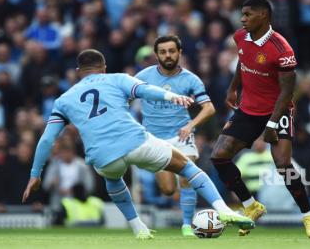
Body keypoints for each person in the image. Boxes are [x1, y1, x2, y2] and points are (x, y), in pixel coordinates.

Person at [22, 49, 254, 240]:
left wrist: (35, 174)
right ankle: (223, 210)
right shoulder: (117, 78)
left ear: (77, 73)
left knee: (113, 179)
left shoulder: (63, 100)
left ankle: (139, 228)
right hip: (135, 142)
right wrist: (171, 96)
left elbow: (46, 139)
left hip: (102, 157)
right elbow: (145, 90)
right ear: (103, 67)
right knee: (185, 166)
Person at [210, 0, 310, 238]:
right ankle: (252, 206)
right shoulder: (240, 36)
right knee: (219, 156)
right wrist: (233, 87)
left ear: (264, 16)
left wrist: (271, 124)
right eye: (242, 14)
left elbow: (287, 91)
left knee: (283, 164)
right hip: (248, 108)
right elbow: (243, 59)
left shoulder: (282, 50)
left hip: (278, 109)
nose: (242, 19)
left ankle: (308, 216)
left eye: (248, 14)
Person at [135, 35, 216, 237]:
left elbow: (209, 108)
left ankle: (187, 225)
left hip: (181, 135)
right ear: (156, 55)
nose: (167, 55)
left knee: (188, 176)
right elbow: (124, 99)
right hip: (154, 139)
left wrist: (190, 125)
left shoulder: (190, 79)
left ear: (179, 52)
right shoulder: (142, 76)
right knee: (168, 190)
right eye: (162, 52)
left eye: (171, 51)